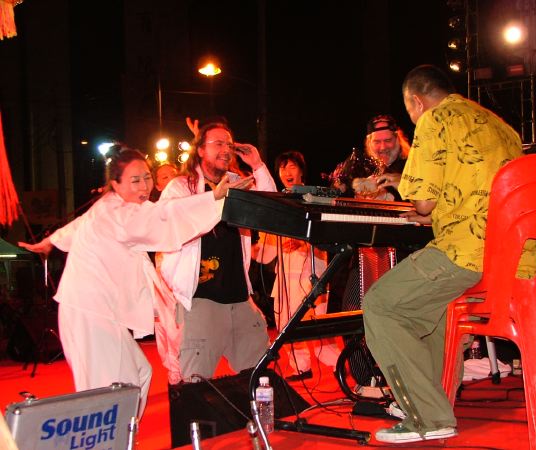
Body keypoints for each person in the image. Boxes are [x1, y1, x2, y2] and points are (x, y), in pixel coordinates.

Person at [18, 145, 252, 417]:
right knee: (111, 391)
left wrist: (49, 241)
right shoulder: (121, 214)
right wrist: (215, 198)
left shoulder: (109, 206)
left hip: (97, 313)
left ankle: (123, 434)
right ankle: (109, 436)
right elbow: (167, 215)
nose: (144, 186)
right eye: (135, 180)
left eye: (146, 177)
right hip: (90, 313)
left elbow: (77, 226)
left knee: (138, 375)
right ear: (115, 184)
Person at [362, 64, 524, 444]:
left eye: (410, 111)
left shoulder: (436, 119)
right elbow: (479, 193)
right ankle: (432, 401)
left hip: (468, 252)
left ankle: (427, 414)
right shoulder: (502, 127)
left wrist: (422, 208)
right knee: (432, 309)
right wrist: (432, 214)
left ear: (417, 102)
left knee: (381, 305)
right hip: (511, 256)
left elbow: (423, 202)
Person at [155, 121, 277, 384]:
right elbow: (172, 223)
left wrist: (257, 165)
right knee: (196, 384)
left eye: (229, 144)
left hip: (239, 298)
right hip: (201, 299)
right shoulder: (181, 187)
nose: (226, 149)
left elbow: (271, 211)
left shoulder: (237, 183)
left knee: (260, 379)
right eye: (218, 143)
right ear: (200, 150)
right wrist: (214, 198)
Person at [253, 151, 339, 381]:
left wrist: (302, 242)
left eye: (292, 167)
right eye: (283, 168)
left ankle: (336, 361)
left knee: (315, 321)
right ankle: (300, 366)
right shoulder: (277, 202)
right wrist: (248, 248)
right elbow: (266, 250)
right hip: (286, 274)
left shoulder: (313, 198)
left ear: (301, 171)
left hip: (312, 270)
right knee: (286, 321)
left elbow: (326, 233)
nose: (287, 172)